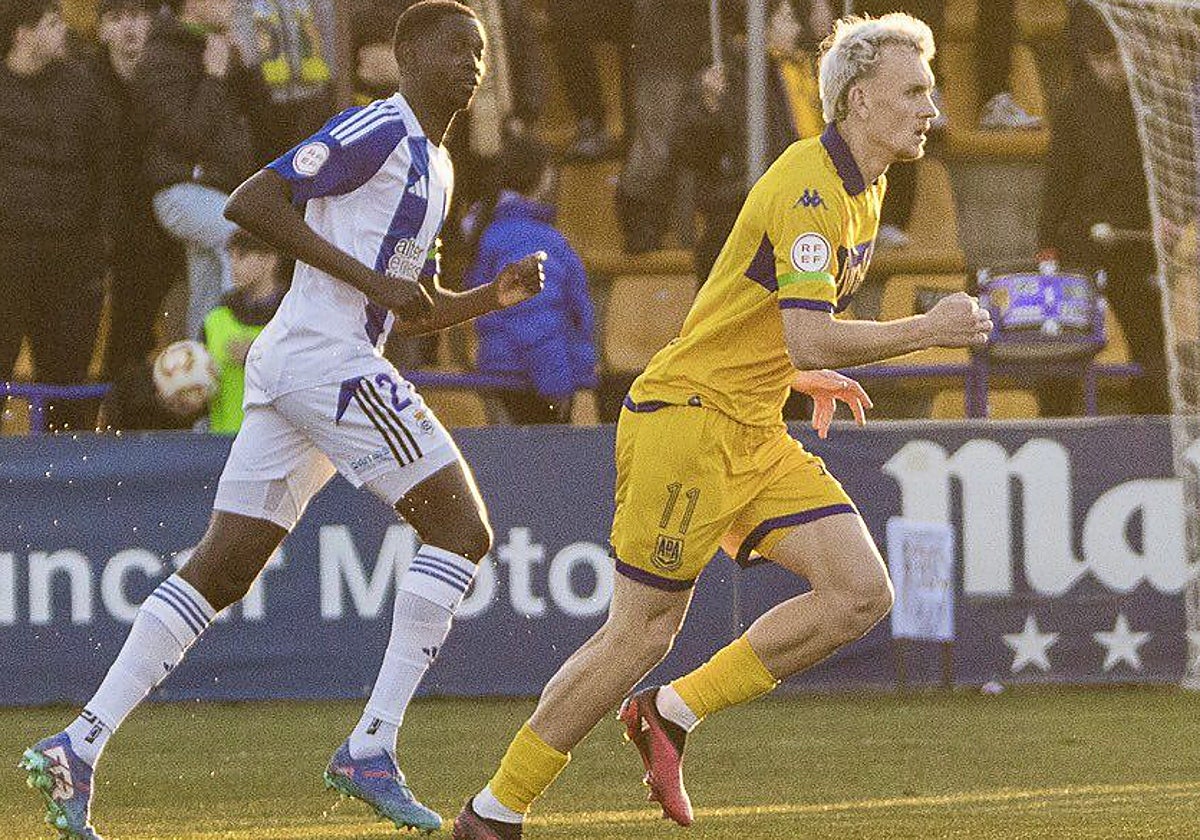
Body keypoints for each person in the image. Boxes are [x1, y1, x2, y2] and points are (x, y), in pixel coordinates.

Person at [453, 14, 992, 839]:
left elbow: (769, 319)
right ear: (858, 99)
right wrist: (927, 328)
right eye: (914, 90)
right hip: (690, 423)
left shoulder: (867, 185)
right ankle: (496, 809)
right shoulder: (811, 189)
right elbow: (810, 331)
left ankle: (668, 714)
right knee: (639, 634)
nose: (932, 106)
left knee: (859, 593)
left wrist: (796, 373)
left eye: (931, 89)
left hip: (750, 424)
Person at [21, 3, 546, 838]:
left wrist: (491, 297)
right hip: (326, 360)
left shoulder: (439, 166)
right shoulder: (379, 128)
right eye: (455, 48)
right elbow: (252, 200)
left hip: (307, 365)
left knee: (222, 569)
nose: (472, 64)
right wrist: (372, 285)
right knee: (462, 532)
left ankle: (77, 745)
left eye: (479, 52)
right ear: (407, 56)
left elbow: (410, 304)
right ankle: (371, 745)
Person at [1034, 6, 1169, 415]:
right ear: (1087, 58)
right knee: (1061, 355)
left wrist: (1171, 219)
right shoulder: (1073, 105)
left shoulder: (1155, 102)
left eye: (1118, 58)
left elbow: (1170, 174)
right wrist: (1046, 245)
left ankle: (1151, 434)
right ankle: (1054, 430)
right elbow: (1058, 182)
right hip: (1081, 247)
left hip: (1139, 246)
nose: (1112, 69)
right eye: (1101, 60)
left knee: (1153, 353)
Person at [0, 0, 116, 433]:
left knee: (67, 374)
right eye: (51, 24)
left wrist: (102, 240)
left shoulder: (81, 86)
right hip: (9, 252)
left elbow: (106, 163)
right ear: (23, 34)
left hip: (72, 253)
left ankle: (67, 463)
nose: (62, 32)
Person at [134, 0, 270, 343]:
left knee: (207, 284)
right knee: (239, 242)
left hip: (221, 187)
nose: (233, 3)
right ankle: (236, 340)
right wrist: (213, 78)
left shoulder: (219, 47)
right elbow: (184, 135)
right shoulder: (162, 56)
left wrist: (247, 67)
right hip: (180, 188)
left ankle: (202, 360)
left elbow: (262, 120)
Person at [464, 135, 597, 423]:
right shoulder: (529, 237)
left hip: (512, 375)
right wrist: (556, 385)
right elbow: (533, 314)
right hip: (532, 384)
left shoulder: (500, 229)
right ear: (543, 176)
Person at [93, 0, 187, 384]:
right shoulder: (88, 83)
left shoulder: (168, 75)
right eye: (117, 18)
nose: (129, 28)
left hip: (166, 218)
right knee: (121, 335)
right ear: (102, 29)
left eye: (137, 16)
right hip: (110, 227)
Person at [203, 227, 289, 434]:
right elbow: (200, 397)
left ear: (269, 260)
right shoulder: (215, 319)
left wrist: (257, 358)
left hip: (280, 445)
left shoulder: (294, 317)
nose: (232, 265)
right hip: (223, 444)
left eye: (241, 256)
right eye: (230, 257)